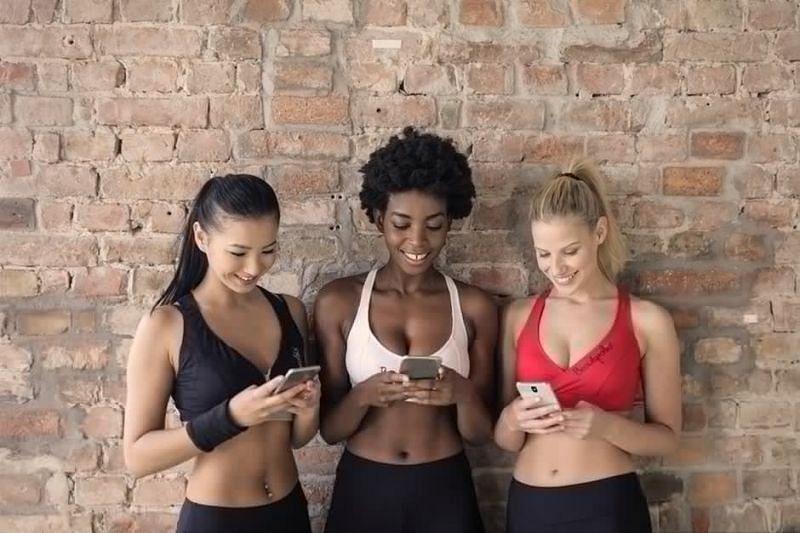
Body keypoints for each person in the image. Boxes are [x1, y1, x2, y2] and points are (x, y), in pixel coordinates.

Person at [315, 127, 497, 533]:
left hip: (444, 487)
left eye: (434, 224)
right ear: (379, 219)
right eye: (401, 223)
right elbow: (328, 430)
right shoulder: (339, 302)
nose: (417, 240)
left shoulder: (474, 306)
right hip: (365, 487)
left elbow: (482, 434)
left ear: (451, 221)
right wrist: (364, 395)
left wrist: (461, 393)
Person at [123, 174, 319, 533]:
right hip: (217, 521)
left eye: (268, 251)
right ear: (202, 238)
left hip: (289, 512)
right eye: (238, 252)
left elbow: (297, 438)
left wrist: (308, 408)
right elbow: (137, 457)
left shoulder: (289, 310)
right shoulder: (166, 325)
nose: (253, 268)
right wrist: (230, 417)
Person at [495, 160, 681, 533]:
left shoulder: (647, 320)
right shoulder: (517, 316)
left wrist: (607, 426)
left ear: (599, 232)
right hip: (530, 507)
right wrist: (512, 419)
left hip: (607, 506)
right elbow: (506, 440)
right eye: (543, 254)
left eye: (569, 251)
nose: (556, 268)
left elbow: (667, 440)